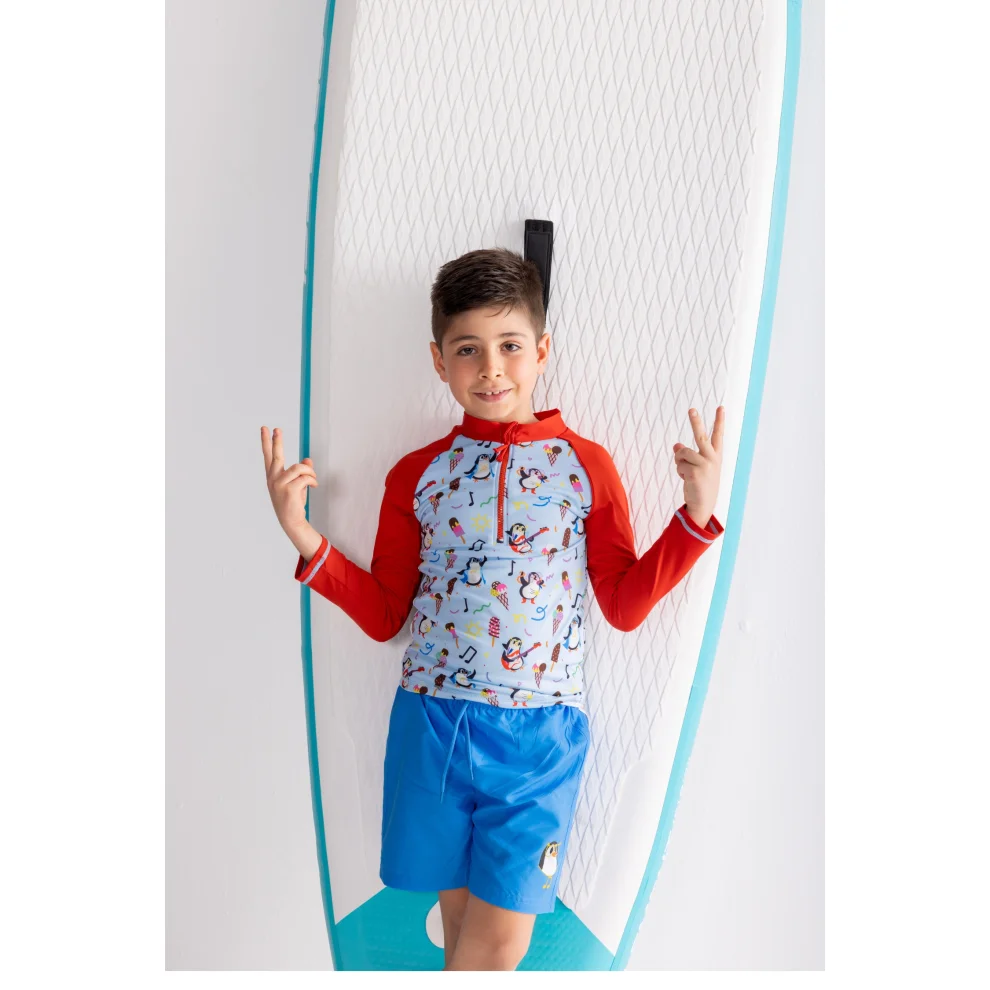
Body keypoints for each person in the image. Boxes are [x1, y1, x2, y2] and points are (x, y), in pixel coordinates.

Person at [261, 247, 725, 970]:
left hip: (538, 740)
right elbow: (385, 615)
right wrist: (303, 535)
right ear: (439, 360)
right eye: (468, 350)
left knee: (498, 947)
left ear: (542, 350)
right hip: (432, 726)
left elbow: (624, 604)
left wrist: (694, 518)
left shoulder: (586, 466)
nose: (491, 369)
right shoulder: (416, 475)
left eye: (509, 346)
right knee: (463, 942)